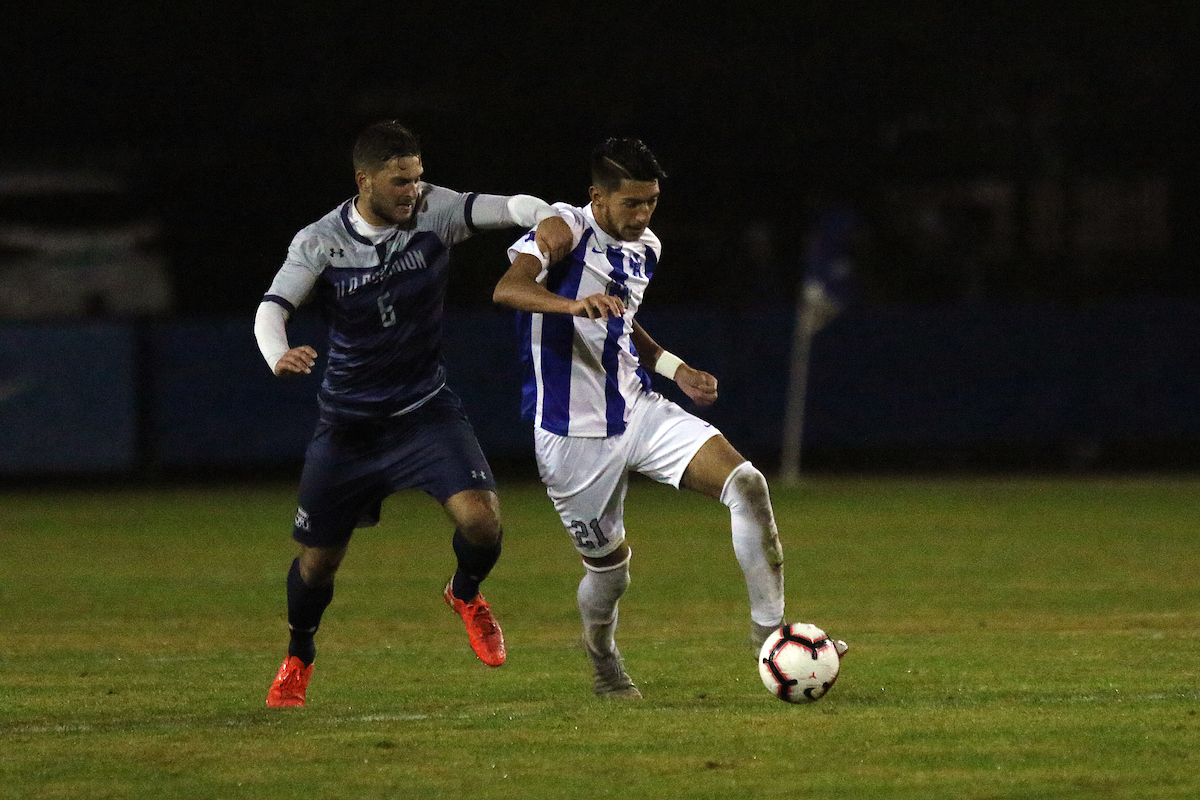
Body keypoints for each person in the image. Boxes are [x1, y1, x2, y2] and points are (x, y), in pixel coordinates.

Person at [493, 137, 847, 699]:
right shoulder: (562, 229)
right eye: (631, 203)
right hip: (570, 432)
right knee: (610, 573)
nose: (642, 215)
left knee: (747, 484)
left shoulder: (647, 246)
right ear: (597, 197)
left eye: (651, 202)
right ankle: (604, 661)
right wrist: (570, 305)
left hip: (639, 408)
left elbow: (622, 320)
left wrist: (673, 367)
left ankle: (771, 640)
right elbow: (507, 289)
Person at [255, 121, 557, 707]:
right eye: (399, 182)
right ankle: (299, 653)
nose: (412, 192)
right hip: (349, 427)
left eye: (417, 179)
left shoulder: (435, 211)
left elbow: (511, 207)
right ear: (363, 180)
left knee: (483, 521)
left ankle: (465, 593)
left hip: (425, 411)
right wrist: (277, 353)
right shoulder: (320, 240)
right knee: (318, 567)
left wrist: (546, 215)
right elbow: (273, 308)